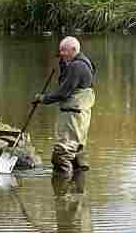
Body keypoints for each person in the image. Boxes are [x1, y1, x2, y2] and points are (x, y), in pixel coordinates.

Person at [39, 35, 96, 173]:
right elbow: (69, 85)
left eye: (64, 50)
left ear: (74, 49)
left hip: (73, 116)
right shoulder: (85, 63)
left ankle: (61, 192)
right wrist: (63, 64)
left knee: (61, 156)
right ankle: (78, 188)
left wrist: (43, 98)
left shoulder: (77, 66)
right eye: (60, 51)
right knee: (76, 152)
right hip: (81, 116)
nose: (61, 54)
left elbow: (63, 93)